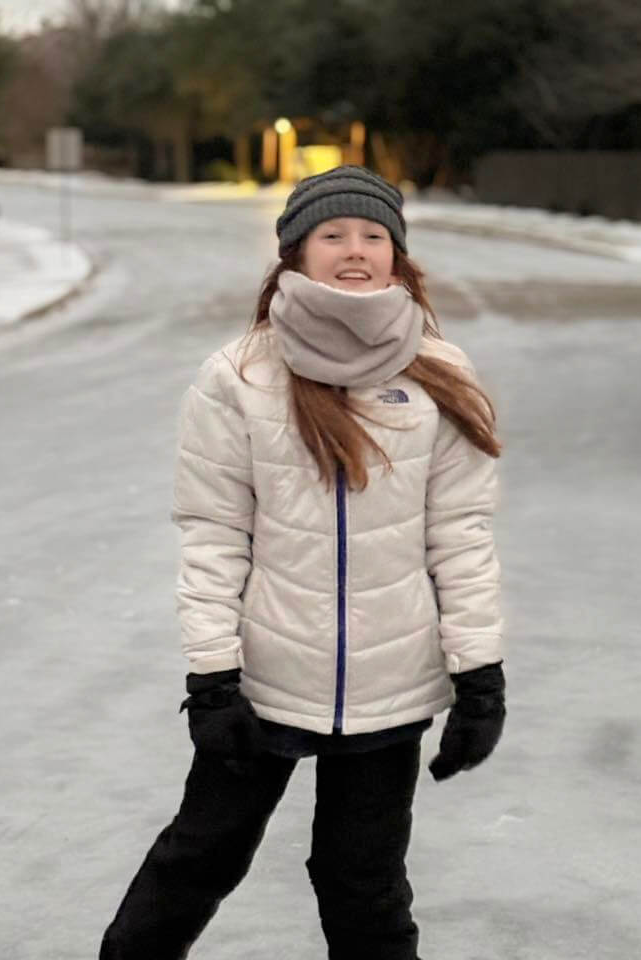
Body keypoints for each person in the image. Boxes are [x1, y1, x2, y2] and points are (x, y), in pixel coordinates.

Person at [99, 165, 506, 960]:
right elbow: (214, 533)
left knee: (365, 884)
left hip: (389, 683)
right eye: (332, 234)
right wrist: (213, 678)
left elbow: (460, 535)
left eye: (373, 235)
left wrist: (480, 675)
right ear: (295, 252)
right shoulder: (240, 376)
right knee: (201, 856)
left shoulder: (440, 375)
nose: (355, 250)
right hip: (264, 678)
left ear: (396, 255)